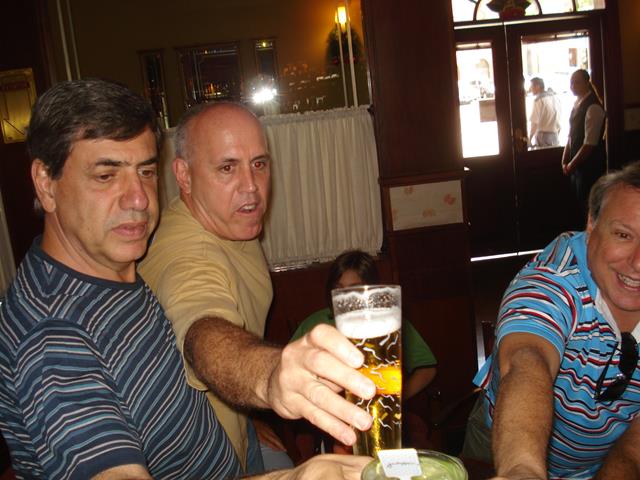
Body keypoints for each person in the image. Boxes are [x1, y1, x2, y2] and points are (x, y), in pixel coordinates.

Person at [0, 79, 374, 479]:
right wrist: (270, 379)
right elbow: (200, 323)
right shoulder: (52, 338)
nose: (139, 199)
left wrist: (255, 432)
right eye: (106, 176)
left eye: (145, 171)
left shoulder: (109, 269)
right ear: (46, 183)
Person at [462, 162, 640, 479]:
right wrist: (521, 469)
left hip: (601, 463)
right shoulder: (554, 279)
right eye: (623, 235)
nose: (638, 263)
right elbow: (527, 360)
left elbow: (633, 448)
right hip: (499, 445)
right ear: (592, 224)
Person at [291, 250, 437, 400]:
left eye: (354, 290)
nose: (345, 298)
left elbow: (427, 369)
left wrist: (394, 399)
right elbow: (290, 371)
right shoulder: (314, 325)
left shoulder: (390, 324)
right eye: (339, 289)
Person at [562, 69, 607, 219]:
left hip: (590, 168)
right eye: (571, 83)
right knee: (578, 206)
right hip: (577, 167)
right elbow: (571, 135)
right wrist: (564, 160)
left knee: (588, 209)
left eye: (577, 82)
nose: (573, 86)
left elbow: (589, 144)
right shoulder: (577, 104)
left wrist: (571, 165)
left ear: (587, 83)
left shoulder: (593, 107)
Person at [528, 77, 561, 148]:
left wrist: (529, 138)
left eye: (531, 86)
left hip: (543, 136)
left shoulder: (538, 100)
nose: (530, 89)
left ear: (537, 86)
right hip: (555, 135)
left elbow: (534, 123)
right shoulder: (555, 98)